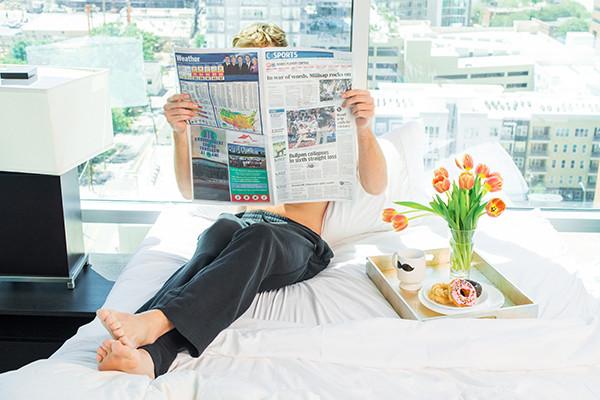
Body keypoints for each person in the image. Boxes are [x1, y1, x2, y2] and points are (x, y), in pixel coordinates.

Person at [95, 22, 387, 379]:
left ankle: (152, 320)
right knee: (218, 233)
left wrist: (364, 127)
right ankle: (147, 357)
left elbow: (376, 185)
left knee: (256, 237)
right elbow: (189, 190)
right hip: (242, 225)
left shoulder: (331, 109)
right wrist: (179, 134)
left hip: (296, 240)